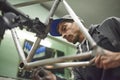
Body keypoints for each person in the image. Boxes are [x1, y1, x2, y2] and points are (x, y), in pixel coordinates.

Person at [33, 15, 120, 80]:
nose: (63, 35)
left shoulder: (110, 26)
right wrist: (54, 78)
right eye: (61, 34)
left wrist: (118, 58)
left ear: (77, 20)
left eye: (64, 28)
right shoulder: (76, 62)